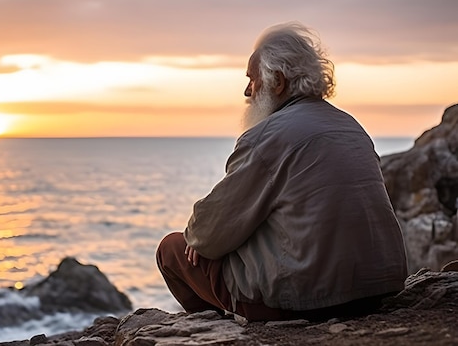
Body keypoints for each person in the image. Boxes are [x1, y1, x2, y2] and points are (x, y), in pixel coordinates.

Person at [156, 22, 408, 322]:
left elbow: (208, 231)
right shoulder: (351, 126)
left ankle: (222, 331)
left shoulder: (266, 137)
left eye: (252, 79)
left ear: (277, 81)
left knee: (172, 249)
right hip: (377, 290)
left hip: (311, 299)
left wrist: (200, 238)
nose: (247, 91)